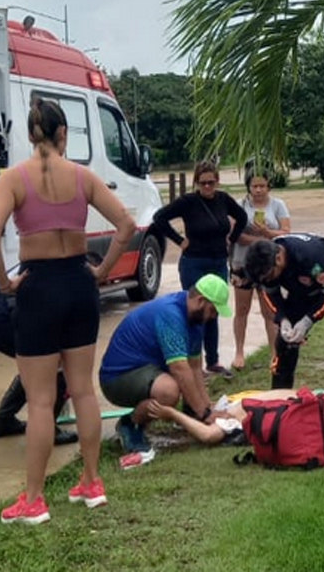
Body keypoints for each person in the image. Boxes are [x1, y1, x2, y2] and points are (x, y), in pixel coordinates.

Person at [0, 98, 135, 525]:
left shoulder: (12, 179)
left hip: (37, 287)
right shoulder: (84, 177)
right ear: (63, 133)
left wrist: (5, 282)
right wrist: (101, 271)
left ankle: (33, 498)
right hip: (79, 285)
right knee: (83, 390)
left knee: (42, 400)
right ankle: (90, 481)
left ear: (30, 135)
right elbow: (127, 225)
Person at [98, 275, 232, 464]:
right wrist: (205, 415)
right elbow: (180, 369)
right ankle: (130, 424)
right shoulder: (171, 315)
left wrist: (206, 408)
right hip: (117, 378)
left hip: (145, 368)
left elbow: (194, 368)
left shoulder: (195, 320)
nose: (213, 317)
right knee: (168, 392)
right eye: (213, 310)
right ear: (201, 300)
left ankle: (190, 412)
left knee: (180, 387)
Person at [153, 161, 247, 377]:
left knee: (214, 310)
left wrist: (231, 239)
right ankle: (192, 360)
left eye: (211, 183)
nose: (207, 187)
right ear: (196, 182)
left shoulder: (223, 199)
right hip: (194, 262)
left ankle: (213, 361)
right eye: (203, 183)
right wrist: (179, 240)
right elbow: (159, 218)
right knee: (194, 311)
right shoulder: (188, 202)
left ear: (217, 181)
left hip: (217, 262)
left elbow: (241, 217)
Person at [243, 234, 324, 389]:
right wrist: (283, 319)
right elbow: (271, 295)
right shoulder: (267, 268)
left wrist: (306, 321)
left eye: (269, 276)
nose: (268, 281)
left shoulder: (309, 257)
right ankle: (279, 397)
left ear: (278, 258)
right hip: (303, 287)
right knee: (285, 343)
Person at [146, 367, 324, 446]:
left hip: (321, 400)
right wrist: (172, 414)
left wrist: (204, 407)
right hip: (319, 412)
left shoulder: (227, 407)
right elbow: (207, 435)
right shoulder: (228, 423)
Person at [0, 281, 78, 445]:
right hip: (3, 311)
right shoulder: (68, 282)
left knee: (35, 364)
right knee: (55, 365)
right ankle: (48, 429)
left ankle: (3, 420)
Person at [229, 168, 290, 369]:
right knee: (242, 310)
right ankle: (239, 352)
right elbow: (234, 234)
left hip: (268, 266)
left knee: (269, 311)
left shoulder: (278, 205)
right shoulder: (240, 205)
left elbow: (286, 232)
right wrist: (259, 239)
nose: (258, 190)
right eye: (254, 186)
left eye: (262, 186)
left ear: (268, 186)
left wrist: (267, 232)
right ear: (248, 187)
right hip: (242, 264)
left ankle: (274, 351)